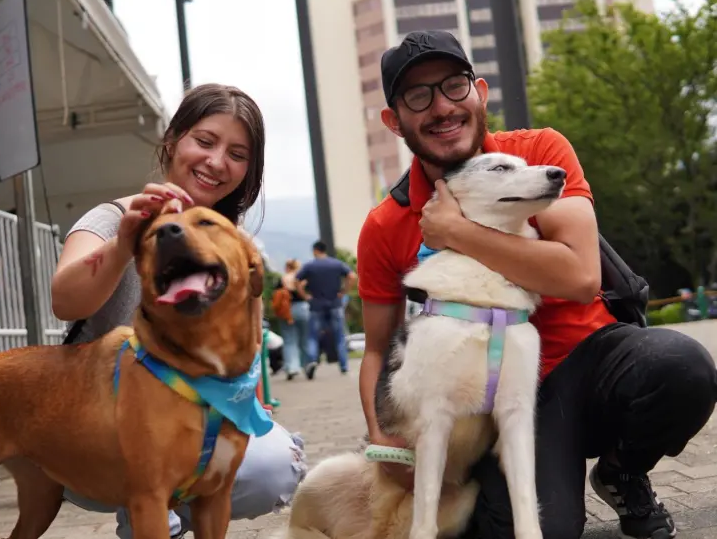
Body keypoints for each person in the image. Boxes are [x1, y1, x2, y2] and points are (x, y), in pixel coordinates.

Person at [355, 30, 717, 539]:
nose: (442, 107)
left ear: (479, 92)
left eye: (454, 86)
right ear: (394, 121)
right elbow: (376, 349)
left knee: (682, 368)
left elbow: (580, 277)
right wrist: (384, 442)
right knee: (532, 528)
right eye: (418, 95)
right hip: (490, 409)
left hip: (587, 357)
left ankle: (621, 472)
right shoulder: (384, 224)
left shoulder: (540, 153)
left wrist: (458, 232)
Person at [50, 83, 307, 539]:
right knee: (152, 441)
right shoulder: (114, 219)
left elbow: (247, 344)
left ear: (248, 171)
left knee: (275, 464)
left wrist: (247, 405)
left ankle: (165, 512)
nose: (216, 161)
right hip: (98, 426)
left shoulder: (235, 245)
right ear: (172, 141)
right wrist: (124, 244)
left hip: (196, 421)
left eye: (237, 154)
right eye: (205, 141)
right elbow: (64, 301)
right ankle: (150, 517)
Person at [297, 241, 357, 377]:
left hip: (316, 305)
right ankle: (344, 365)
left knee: (312, 336)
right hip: (335, 303)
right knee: (339, 336)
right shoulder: (336, 264)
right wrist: (344, 292)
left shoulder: (310, 266)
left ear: (315, 250)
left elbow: (297, 281)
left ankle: (312, 360)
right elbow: (352, 276)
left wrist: (305, 295)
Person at [277, 259, 311, 380]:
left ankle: (292, 367)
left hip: (286, 310)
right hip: (303, 308)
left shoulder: (282, 278)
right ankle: (307, 365)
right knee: (305, 339)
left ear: (287, 267)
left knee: (289, 340)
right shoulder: (302, 278)